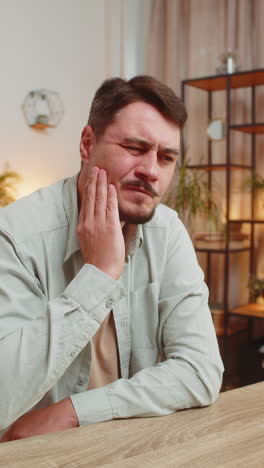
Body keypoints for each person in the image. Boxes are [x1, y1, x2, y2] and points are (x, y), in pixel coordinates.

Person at [0, 76, 223, 442]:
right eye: (135, 148)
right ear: (88, 144)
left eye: (166, 158)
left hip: (131, 450)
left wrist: (74, 411)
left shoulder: (167, 231)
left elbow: (201, 371)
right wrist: (99, 274)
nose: (152, 170)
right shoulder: (15, 237)